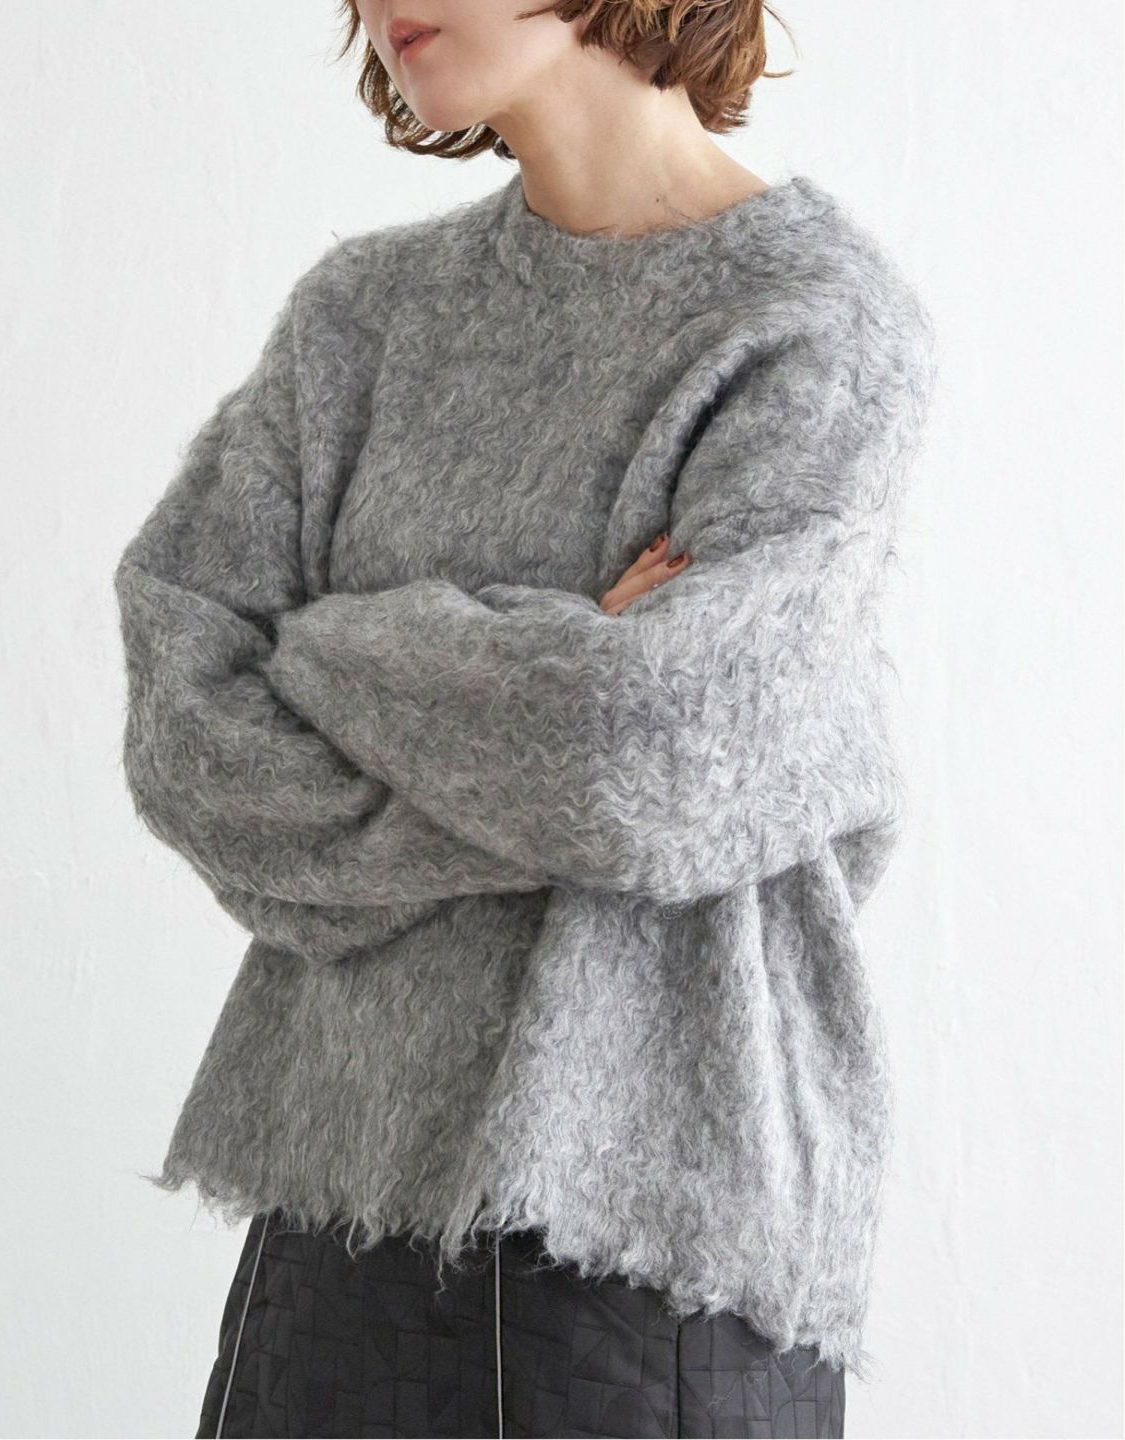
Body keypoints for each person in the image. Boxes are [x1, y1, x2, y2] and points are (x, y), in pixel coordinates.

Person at [112, 2, 938, 1436]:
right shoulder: (365, 317)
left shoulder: (812, 321)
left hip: (652, 1236)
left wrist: (329, 647)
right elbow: (189, 712)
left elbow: (645, 756)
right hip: (336, 1206)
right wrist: (549, 670)